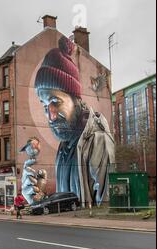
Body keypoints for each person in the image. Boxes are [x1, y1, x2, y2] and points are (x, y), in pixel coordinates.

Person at [23, 36, 115, 207]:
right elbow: (67, 203)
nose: (51, 116)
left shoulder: (97, 140)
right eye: (45, 106)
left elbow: (108, 208)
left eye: (55, 102)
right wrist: (39, 199)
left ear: (76, 100)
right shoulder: (65, 147)